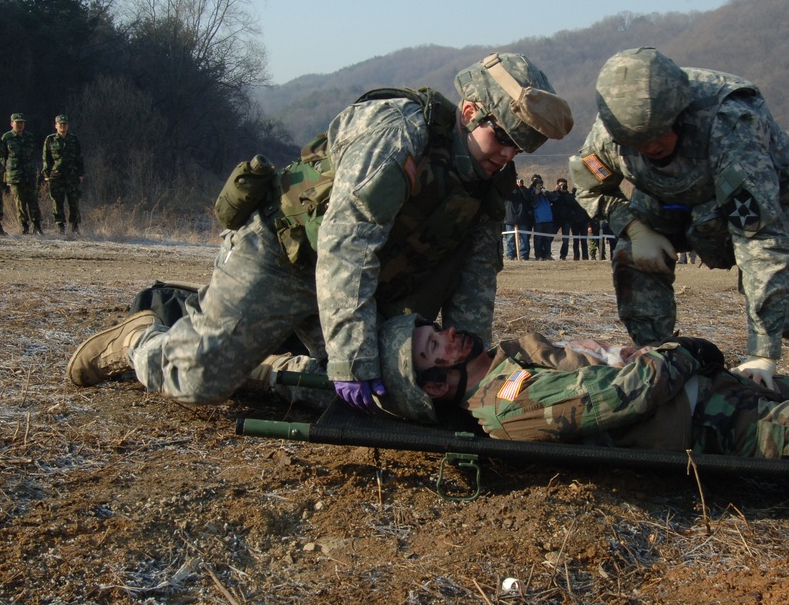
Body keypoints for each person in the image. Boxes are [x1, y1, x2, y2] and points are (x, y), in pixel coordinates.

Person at [65, 52, 573, 411]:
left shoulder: (489, 185)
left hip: (359, 288)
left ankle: (259, 354)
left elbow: (475, 284)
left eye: (519, 149)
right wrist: (352, 357)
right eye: (501, 137)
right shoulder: (399, 135)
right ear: (469, 113)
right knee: (198, 379)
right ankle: (137, 339)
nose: (508, 154)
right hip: (286, 256)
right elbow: (346, 243)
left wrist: (470, 378)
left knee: (383, 390)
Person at [374, 313, 789, 471]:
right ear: (437, 386)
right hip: (713, 425)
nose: (447, 337)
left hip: (710, 389)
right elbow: (618, 398)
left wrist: (686, 360)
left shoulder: (515, 357)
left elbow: (608, 365)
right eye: (434, 350)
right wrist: (681, 351)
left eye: (436, 331)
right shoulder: (506, 408)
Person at [569, 47, 789, 387]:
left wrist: (762, 353)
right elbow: (589, 187)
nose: (648, 149)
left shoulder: (731, 129)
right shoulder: (611, 132)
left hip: (765, 201)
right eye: (636, 143)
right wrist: (634, 228)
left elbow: (762, 242)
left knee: (786, 305)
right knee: (631, 254)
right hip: (667, 198)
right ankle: (656, 360)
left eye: (657, 137)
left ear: (680, 115)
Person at [43, 114, 85, 234]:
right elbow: (46, 158)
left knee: (74, 202)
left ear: (68, 125)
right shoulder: (50, 139)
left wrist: (80, 174)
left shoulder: (73, 139)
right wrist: (46, 175)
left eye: (65, 124)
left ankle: (75, 227)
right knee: (57, 202)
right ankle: (60, 226)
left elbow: (79, 158)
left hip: (72, 176)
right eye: (60, 124)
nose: (62, 126)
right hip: (56, 176)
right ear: (56, 125)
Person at [2, 112, 43, 235]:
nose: (20, 125)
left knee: (33, 200)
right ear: (11, 124)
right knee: (20, 202)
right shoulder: (6, 138)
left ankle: (37, 226)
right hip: (15, 175)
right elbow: (1, 155)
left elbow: (32, 154)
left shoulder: (29, 137)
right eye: (17, 122)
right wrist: (9, 167)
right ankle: (24, 226)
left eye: (22, 123)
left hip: (29, 174)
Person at [548, 178, 581, 260]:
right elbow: (550, 198)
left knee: (565, 239)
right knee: (550, 237)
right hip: (556, 220)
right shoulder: (555, 194)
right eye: (561, 185)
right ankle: (547, 253)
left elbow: (571, 202)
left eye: (564, 185)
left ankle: (563, 256)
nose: (563, 186)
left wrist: (565, 193)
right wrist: (555, 191)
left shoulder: (569, 196)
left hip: (567, 220)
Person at [503, 177, 532, 261]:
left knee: (524, 238)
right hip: (510, 217)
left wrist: (521, 187)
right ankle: (511, 255)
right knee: (510, 238)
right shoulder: (507, 190)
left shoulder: (524, 190)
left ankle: (523, 255)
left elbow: (527, 198)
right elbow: (506, 196)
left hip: (523, 217)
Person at [530, 178, 555, 260]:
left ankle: (547, 255)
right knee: (538, 239)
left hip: (548, 219)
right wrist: (537, 194)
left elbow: (555, 198)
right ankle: (538, 255)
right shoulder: (533, 194)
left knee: (548, 239)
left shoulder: (545, 194)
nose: (540, 187)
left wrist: (547, 193)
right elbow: (533, 204)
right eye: (538, 186)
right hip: (539, 220)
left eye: (541, 185)